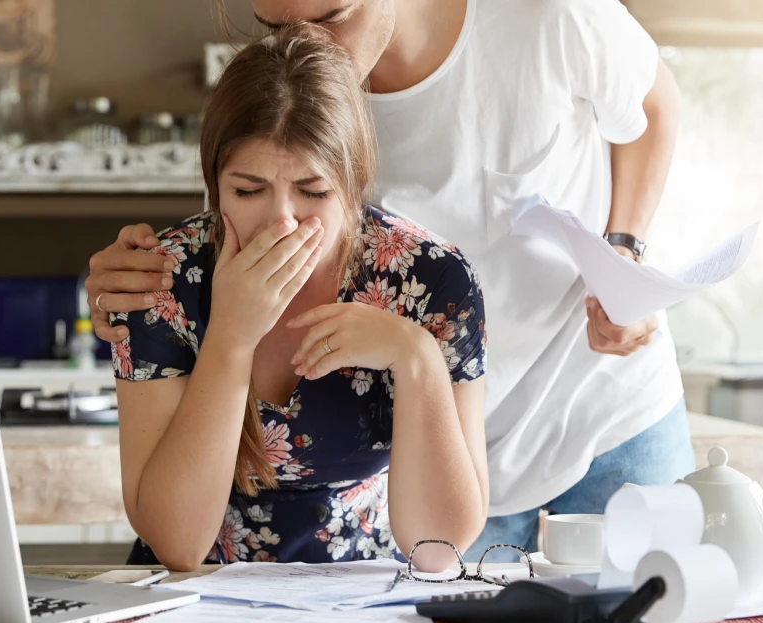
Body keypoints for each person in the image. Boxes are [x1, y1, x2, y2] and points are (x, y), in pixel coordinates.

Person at [88, 0, 693, 557]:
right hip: (456, 444)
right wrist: (165, 315)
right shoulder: (285, 106)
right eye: (277, 29)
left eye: (330, 17)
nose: (304, 47)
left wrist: (624, 255)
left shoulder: (547, 16)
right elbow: (175, 540)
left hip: (592, 396)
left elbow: (653, 105)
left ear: (352, 183)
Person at [111, 25, 489, 571]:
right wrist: (231, 337)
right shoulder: (160, 281)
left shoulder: (433, 282)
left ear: (355, 182)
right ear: (213, 182)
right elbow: (176, 545)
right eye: (247, 190)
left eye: (313, 192)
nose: (280, 220)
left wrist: (417, 357)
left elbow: (440, 549)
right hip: (197, 597)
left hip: (365, 593)